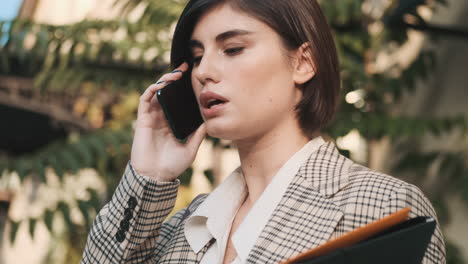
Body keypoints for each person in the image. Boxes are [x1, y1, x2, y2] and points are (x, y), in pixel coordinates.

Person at [81, 0, 446, 263]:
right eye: (195, 57)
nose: (203, 70)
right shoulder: (183, 228)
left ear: (303, 62)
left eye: (233, 48)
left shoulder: (384, 208)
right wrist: (150, 175)